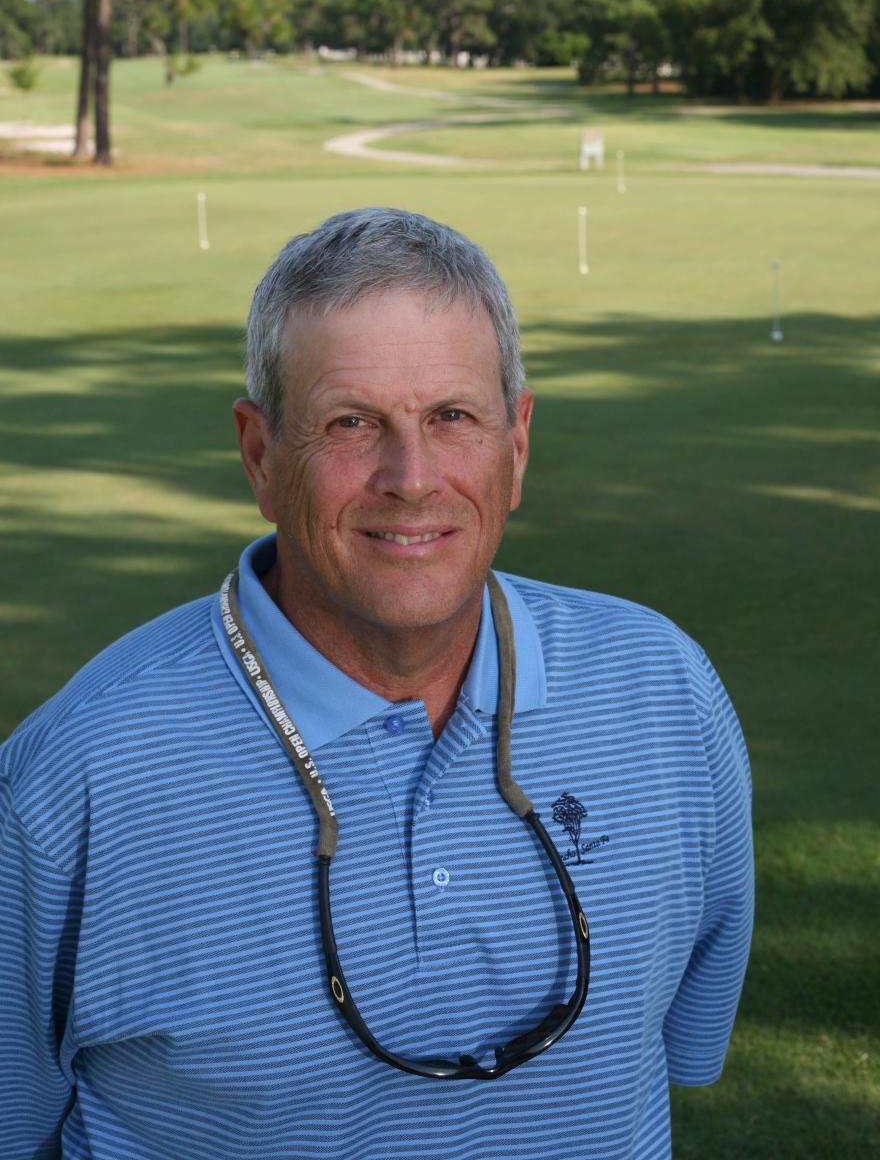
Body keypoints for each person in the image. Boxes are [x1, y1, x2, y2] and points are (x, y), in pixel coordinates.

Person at [0, 207, 753, 1160]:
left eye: (453, 417)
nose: (412, 477)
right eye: (352, 423)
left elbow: (665, 1051)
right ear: (261, 455)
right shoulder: (74, 782)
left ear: (516, 445)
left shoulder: (664, 692)